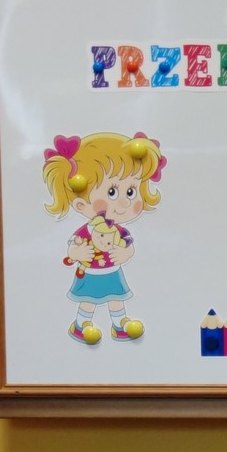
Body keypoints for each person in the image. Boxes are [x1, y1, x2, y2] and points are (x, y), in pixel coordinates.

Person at [42, 131, 165, 343]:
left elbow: (128, 246)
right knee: (88, 301)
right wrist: (77, 253)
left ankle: (119, 325)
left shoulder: (119, 231)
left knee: (116, 300)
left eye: (131, 192)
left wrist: (125, 253)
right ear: (81, 203)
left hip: (112, 272)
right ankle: (80, 325)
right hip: (90, 273)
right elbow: (73, 248)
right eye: (112, 192)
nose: (125, 202)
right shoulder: (86, 231)